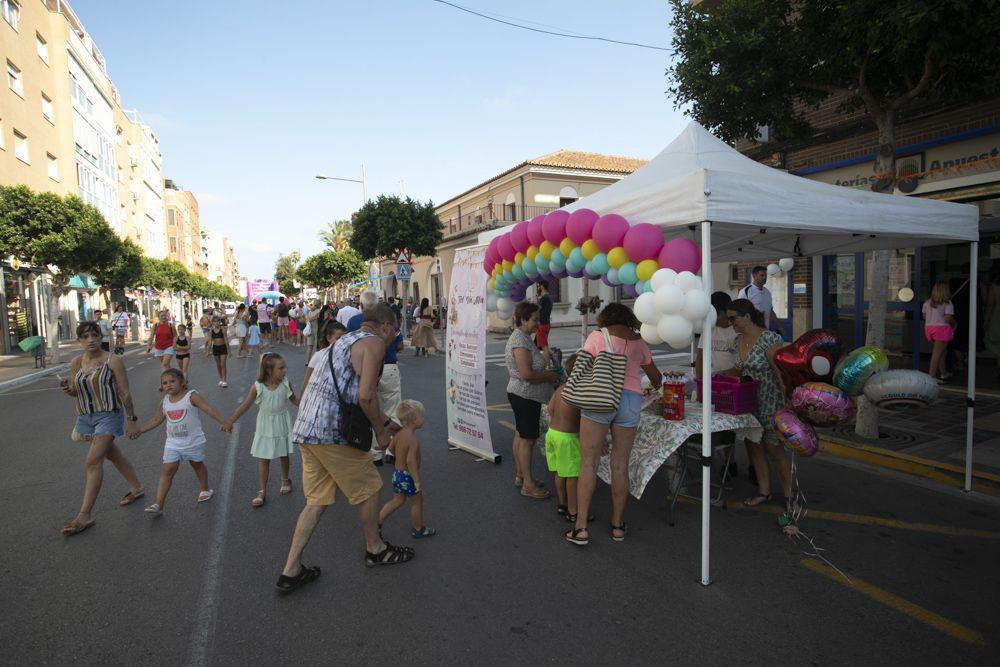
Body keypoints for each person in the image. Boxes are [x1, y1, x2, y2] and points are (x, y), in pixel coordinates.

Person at [277, 304, 412, 594]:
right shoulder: (374, 343)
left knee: (317, 501)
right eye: (394, 332)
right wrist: (380, 433)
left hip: (306, 430)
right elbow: (365, 397)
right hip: (332, 431)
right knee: (370, 488)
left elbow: (350, 391)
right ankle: (375, 549)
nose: (392, 338)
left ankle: (291, 570)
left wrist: (386, 420)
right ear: (386, 326)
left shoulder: (342, 342)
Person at [566, 303, 662, 546]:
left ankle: (581, 528)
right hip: (630, 400)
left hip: (600, 397)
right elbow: (656, 378)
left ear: (605, 318)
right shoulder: (639, 342)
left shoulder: (598, 336)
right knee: (620, 465)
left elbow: (582, 366)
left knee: (589, 463)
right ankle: (618, 525)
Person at [58, 321, 144, 535]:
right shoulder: (77, 362)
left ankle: (84, 515)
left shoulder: (112, 361)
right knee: (112, 455)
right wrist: (70, 391)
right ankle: (137, 487)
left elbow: (124, 392)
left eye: (94, 335)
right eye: (85, 337)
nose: (91, 340)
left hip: (109, 415)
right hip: (86, 417)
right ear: (79, 340)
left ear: (101, 337)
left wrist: (131, 419)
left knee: (92, 461)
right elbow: (78, 390)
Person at [131, 369, 233, 515]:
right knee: (167, 470)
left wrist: (223, 421)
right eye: (164, 383)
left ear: (182, 382)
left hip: (193, 441)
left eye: (172, 381)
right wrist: (140, 430)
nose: (168, 385)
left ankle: (205, 489)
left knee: (197, 465)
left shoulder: (191, 396)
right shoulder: (164, 401)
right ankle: (158, 504)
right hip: (173, 443)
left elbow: (208, 409)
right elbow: (157, 419)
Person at [723, 298, 793, 509]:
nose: (731, 323)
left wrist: (789, 403)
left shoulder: (769, 339)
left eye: (733, 318)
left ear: (747, 316)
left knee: (775, 451)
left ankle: (790, 496)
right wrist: (716, 376)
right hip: (747, 402)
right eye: (728, 319)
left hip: (771, 401)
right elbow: (740, 370)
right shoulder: (737, 341)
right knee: (754, 449)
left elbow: (780, 373)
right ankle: (764, 491)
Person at [506, 302, 562, 500]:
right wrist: (549, 376)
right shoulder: (520, 341)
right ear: (522, 320)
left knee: (521, 436)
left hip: (524, 395)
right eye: (535, 320)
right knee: (527, 440)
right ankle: (528, 485)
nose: (538, 324)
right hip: (525, 395)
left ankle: (522, 476)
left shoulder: (524, 338)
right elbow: (527, 373)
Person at [229, 353, 300, 507]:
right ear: (269, 370)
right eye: (281, 368)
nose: (285, 370)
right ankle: (261, 491)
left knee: (283, 454)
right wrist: (230, 421)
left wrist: (311, 409)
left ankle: (285, 480)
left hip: (281, 422)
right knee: (264, 458)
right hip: (265, 425)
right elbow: (245, 405)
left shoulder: (286, 383)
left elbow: (295, 400)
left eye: (284, 367)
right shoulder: (257, 387)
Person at [696, 292, 742, 481]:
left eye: (717, 314)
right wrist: (699, 380)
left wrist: (727, 375)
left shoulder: (737, 332)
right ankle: (722, 460)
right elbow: (700, 356)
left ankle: (730, 461)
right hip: (710, 386)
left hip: (731, 386)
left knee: (729, 430)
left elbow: (741, 364)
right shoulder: (709, 329)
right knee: (714, 426)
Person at [378, 400, 435, 538]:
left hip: (397, 474)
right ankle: (418, 529)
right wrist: (416, 481)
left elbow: (390, 449)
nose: (424, 419)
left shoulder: (398, 435)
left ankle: (377, 522)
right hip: (407, 476)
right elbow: (411, 461)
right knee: (417, 501)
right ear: (415, 420)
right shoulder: (413, 440)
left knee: (397, 501)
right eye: (422, 416)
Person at [545, 354, 582, 521]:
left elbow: (550, 409)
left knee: (560, 472)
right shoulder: (579, 391)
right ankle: (573, 512)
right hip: (568, 438)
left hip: (552, 434)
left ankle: (562, 504)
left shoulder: (561, 388)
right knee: (573, 476)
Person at [298, 319, 347, 398]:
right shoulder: (319, 355)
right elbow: (307, 379)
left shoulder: (348, 356)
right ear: (328, 338)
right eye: (338, 338)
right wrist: (302, 400)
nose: (342, 341)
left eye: (345, 338)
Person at [923, 281, 957, 383]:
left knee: (942, 352)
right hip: (942, 329)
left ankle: (944, 373)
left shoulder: (927, 302)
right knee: (937, 353)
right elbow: (947, 318)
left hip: (929, 328)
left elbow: (924, 316)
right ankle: (931, 377)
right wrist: (955, 322)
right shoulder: (948, 303)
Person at [737, 265, 785, 336]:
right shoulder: (746, 291)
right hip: (751, 332)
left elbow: (770, 311)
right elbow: (739, 311)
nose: (764, 278)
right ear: (754, 276)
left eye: (766, 275)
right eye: (762, 275)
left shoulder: (767, 292)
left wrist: (780, 326)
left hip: (765, 331)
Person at [984, 267, 1000, 380]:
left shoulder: (994, 287)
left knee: (998, 346)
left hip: (997, 318)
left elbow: (990, 306)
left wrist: (986, 321)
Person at [535, 282, 554, 366]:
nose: (538, 288)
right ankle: (554, 357)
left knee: (544, 346)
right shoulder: (549, 297)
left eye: (538, 286)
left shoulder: (544, 298)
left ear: (542, 286)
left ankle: (548, 365)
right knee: (538, 345)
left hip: (542, 324)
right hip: (546, 324)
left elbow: (537, 309)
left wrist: (536, 300)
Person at [209, 317, 229, 387]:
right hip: (215, 348)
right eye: (214, 321)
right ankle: (221, 378)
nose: (216, 323)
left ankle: (224, 380)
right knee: (218, 365)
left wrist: (229, 351)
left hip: (223, 347)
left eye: (217, 321)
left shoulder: (223, 329)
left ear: (219, 322)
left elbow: (226, 340)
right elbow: (210, 341)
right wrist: (208, 351)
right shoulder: (211, 331)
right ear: (212, 323)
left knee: (223, 364)